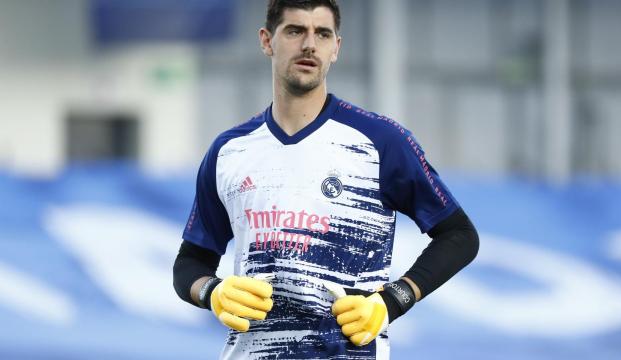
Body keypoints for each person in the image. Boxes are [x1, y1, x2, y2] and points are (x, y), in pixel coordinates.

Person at [173, 0, 479, 358]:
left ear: (336, 47)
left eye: (322, 33)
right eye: (295, 31)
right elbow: (190, 261)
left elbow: (459, 236)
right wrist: (213, 292)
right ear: (266, 41)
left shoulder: (381, 141)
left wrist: (392, 302)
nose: (309, 44)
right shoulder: (230, 150)